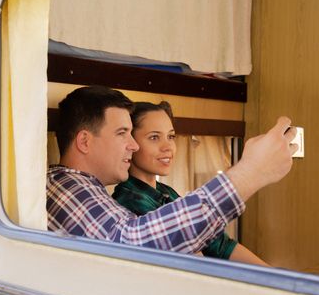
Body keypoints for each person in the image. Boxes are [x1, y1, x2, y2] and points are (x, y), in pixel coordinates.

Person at [47, 85, 298, 254]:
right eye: (122, 133)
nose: (133, 145)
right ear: (84, 141)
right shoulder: (66, 188)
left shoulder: (86, 189)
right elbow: (131, 246)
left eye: (171, 136)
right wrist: (250, 173)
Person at [112, 101, 268, 265]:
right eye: (154, 137)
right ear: (131, 143)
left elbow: (220, 245)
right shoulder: (128, 202)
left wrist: (273, 274)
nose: (168, 147)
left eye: (171, 136)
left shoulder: (166, 192)